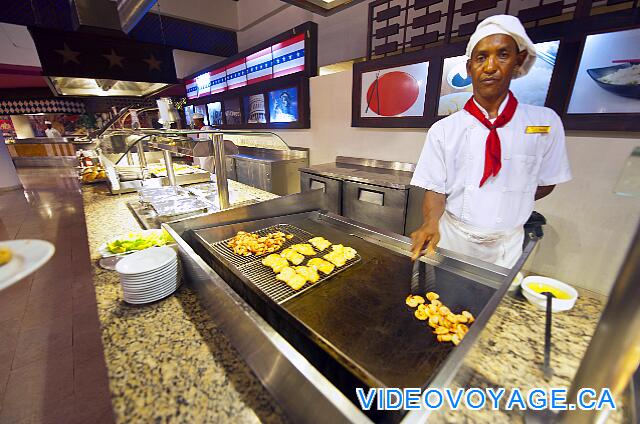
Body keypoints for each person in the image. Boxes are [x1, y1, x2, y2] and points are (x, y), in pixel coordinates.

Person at [410, 14, 572, 268]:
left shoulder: (546, 123)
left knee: (489, 307)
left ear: (518, 61)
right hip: (453, 238)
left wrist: (510, 199)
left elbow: (547, 181)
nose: (490, 66)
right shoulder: (444, 129)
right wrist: (430, 223)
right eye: (481, 57)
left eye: (503, 55)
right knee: (441, 303)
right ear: (469, 67)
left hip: (506, 246)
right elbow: (435, 188)